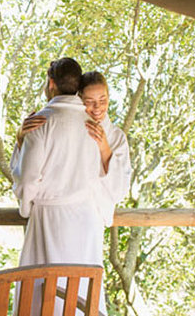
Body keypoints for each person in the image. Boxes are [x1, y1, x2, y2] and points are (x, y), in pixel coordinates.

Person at [11, 67, 131, 316]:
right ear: (78, 99)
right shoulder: (69, 124)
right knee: (43, 289)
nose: (97, 109)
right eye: (89, 102)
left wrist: (106, 150)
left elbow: (119, 189)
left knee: (79, 292)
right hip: (55, 218)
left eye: (103, 101)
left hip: (86, 222)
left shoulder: (115, 136)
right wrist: (21, 138)